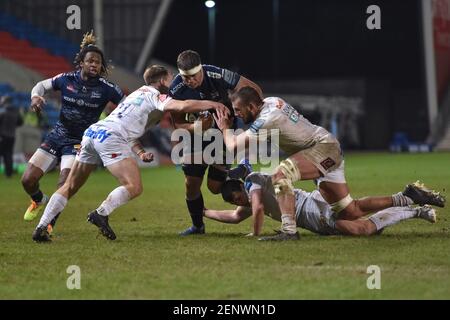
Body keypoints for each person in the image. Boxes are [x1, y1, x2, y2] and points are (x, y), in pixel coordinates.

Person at [213, 87, 446, 240]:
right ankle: (408, 196)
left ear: (253, 107)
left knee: (281, 174)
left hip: (321, 148)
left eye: (239, 110)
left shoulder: (266, 119)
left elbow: (233, 146)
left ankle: (289, 230)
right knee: (349, 211)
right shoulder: (272, 101)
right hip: (322, 148)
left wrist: (224, 128)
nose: (237, 115)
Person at [31, 65, 230, 242]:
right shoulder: (156, 95)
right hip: (111, 136)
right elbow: (182, 105)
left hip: (94, 132)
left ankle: (42, 226)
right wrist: (214, 104)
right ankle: (101, 213)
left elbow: (126, 128)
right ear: (162, 81)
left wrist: (140, 152)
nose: (175, 81)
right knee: (134, 186)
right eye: (171, 77)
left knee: (70, 185)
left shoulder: (136, 94)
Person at [21, 31, 124, 233]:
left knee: (64, 182)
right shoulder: (66, 79)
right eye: (90, 61)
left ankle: (48, 224)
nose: (94, 65)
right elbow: (41, 85)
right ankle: (39, 200)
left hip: (79, 142)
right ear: (82, 63)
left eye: (98, 62)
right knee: (27, 180)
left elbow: (127, 107)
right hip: (57, 136)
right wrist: (35, 97)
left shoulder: (108, 89)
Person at [169, 50, 262, 236]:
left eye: (193, 76)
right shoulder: (176, 88)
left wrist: (248, 113)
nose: (189, 81)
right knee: (191, 183)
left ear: (201, 68)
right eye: (185, 77)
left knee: (214, 187)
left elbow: (253, 89)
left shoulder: (217, 74)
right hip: (196, 136)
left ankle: (249, 184)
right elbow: (178, 123)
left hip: (224, 132)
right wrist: (196, 127)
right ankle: (197, 226)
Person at [205, 173, 441, 237]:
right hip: (313, 219)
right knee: (361, 223)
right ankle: (412, 204)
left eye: (237, 198)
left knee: (359, 221)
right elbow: (235, 216)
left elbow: (256, 208)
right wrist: (204, 212)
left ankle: (410, 203)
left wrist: (255, 234)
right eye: (236, 202)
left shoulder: (252, 182)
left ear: (239, 188)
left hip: (310, 208)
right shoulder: (247, 197)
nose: (240, 203)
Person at [0, 95, 23, 177]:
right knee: (8, 154)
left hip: (2, 136)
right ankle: (9, 174)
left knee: (3, 153)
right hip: (12, 136)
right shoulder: (15, 112)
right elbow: (20, 122)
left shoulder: (3, 112)